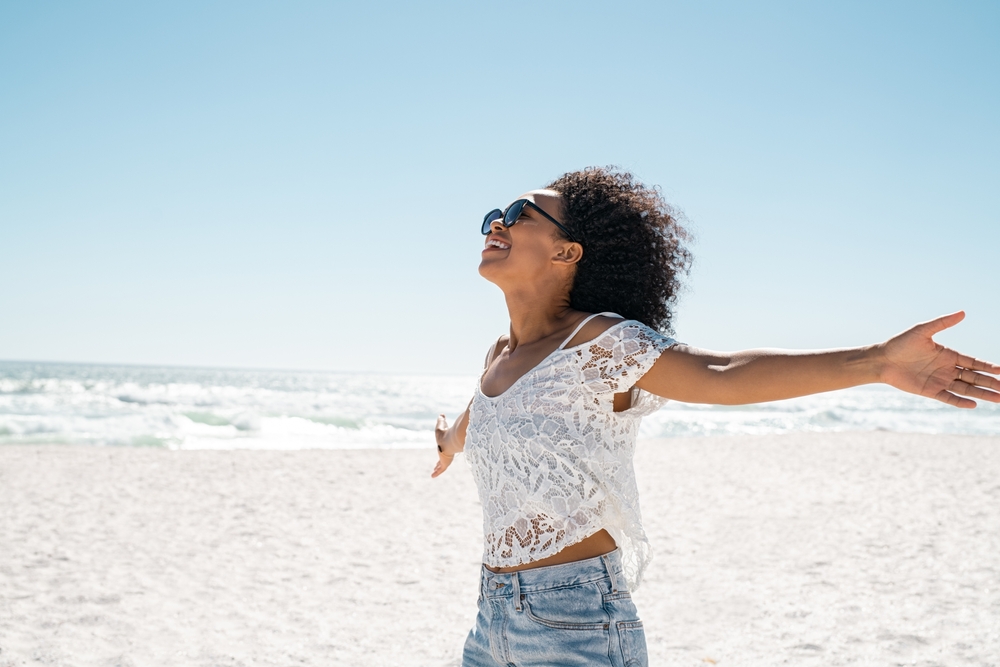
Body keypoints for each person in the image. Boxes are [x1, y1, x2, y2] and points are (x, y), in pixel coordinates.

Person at [431, 167, 999, 667]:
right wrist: (448, 440)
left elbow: (721, 372)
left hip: (572, 622)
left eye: (515, 215)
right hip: (489, 621)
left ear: (567, 251)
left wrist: (875, 362)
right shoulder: (499, 355)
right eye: (491, 217)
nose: (494, 226)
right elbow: (479, 420)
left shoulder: (602, 343)